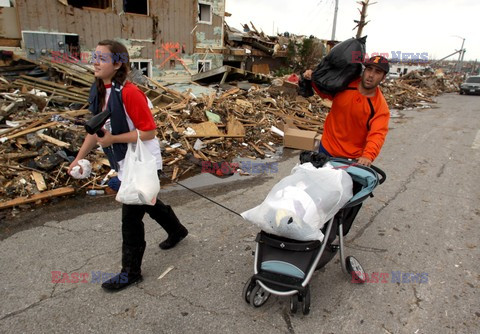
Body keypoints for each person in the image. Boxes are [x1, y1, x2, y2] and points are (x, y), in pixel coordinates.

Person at [68, 40, 188, 292]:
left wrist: (112, 139)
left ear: (118, 63)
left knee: (131, 218)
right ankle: (177, 230)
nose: (96, 62)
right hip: (124, 161)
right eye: (94, 56)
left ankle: (130, 272)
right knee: (148, 202)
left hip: (143, 161)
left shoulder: (130, 93)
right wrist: (78, 157)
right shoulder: (99, 90)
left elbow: (149, 132)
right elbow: (96, 131)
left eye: (102, 57)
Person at [303, 55, 391, 167]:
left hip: (351, 158)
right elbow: (326, 92)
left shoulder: (380, 107)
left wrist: (368, 156)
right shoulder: (346, 84)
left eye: (377, 72)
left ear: (383, 78)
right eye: (369, 69)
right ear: (364, 70)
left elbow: (377, 134)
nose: (371, 75)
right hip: (327, 147)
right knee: (320, 182)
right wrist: (313, 79)